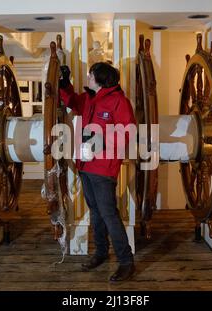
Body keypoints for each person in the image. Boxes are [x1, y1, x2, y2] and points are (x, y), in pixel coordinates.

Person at [59, 62, 136, 282]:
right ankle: (101, 252)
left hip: (103, 169)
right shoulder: (90, 98)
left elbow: (127, 132)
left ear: (100, 78)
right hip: (85, 166)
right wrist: (65, 83)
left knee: (109, 214)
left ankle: (126, 262)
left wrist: (101, 140)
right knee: (95, 211)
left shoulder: (119, 101)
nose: (88, 77)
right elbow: (71, 101)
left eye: (90, 74)